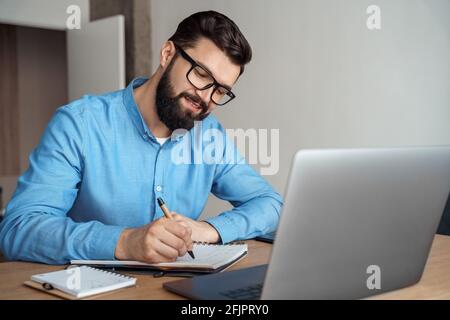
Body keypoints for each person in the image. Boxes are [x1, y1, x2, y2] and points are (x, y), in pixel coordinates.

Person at [0, 10, 282, 264]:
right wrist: (124, 241)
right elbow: (19, 229)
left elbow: (270, 204)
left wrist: (210, 230)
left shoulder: (209, 137)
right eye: (200, 74)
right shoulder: (79, 124)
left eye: (220, 90)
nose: (206, 97)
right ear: (168, 54)